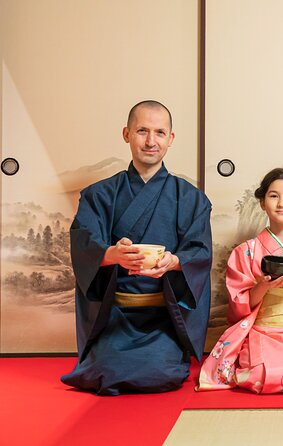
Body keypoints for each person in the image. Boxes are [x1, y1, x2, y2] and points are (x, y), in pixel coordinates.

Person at [61, 100, 212, 395]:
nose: (150, 141)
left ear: (171, 139)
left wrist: (174, 261)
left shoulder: (191, 199)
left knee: (162, 373)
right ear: (126, 134)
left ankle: (162, 354)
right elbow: (83, 243)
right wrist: (109, 255)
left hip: (164, 317)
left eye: (159, 132)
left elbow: (200, 252)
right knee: (104, 371)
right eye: (142, 130)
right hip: (114, 316)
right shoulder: (98, 195)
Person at [198, 168, 283, 393]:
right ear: (262, 203)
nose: (282, 203)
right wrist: (262, 286)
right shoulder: (246, 251)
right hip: (260, 330)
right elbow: (237, 306)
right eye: (273, 196)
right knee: (261, 374)